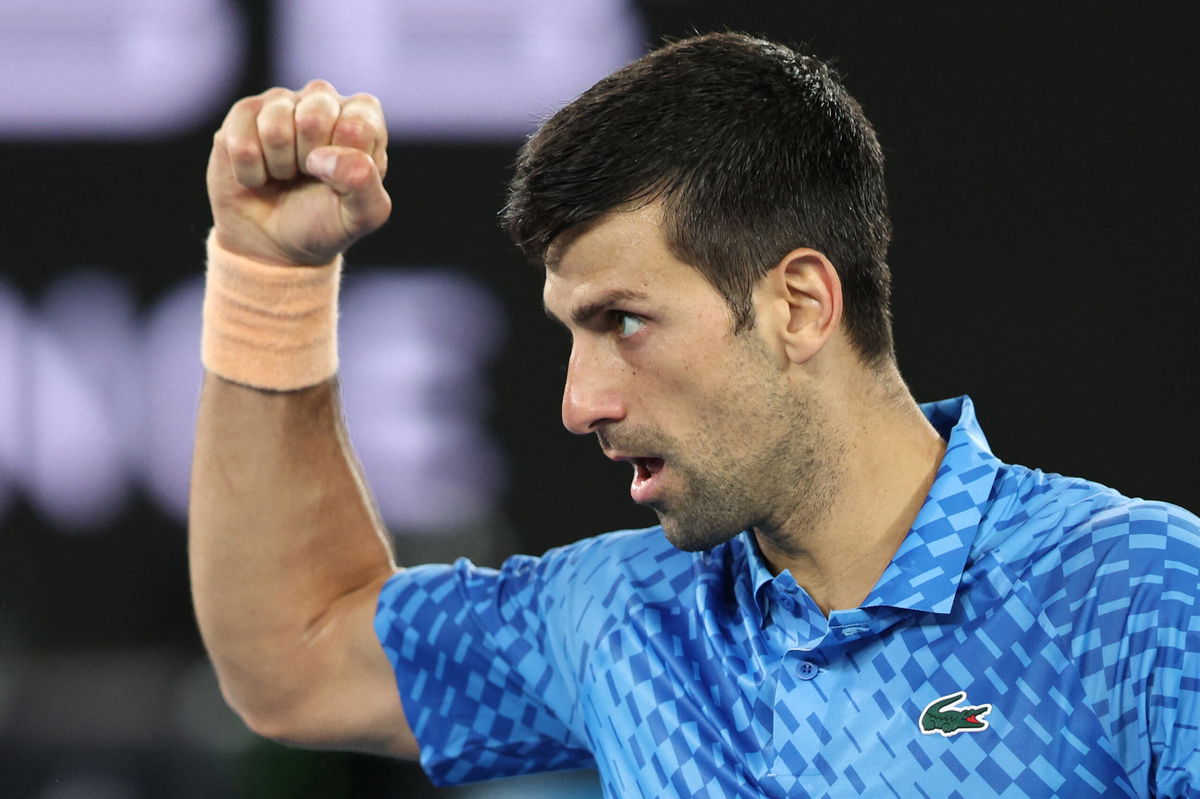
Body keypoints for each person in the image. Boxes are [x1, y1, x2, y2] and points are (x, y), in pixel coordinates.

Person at [190, 32, 1200, 798]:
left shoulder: (1136, 597)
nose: (579, 402)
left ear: (798, 304)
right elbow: (297, 655)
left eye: (623, 319)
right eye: (571, 332)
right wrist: (268, 272)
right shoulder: (618, 620)